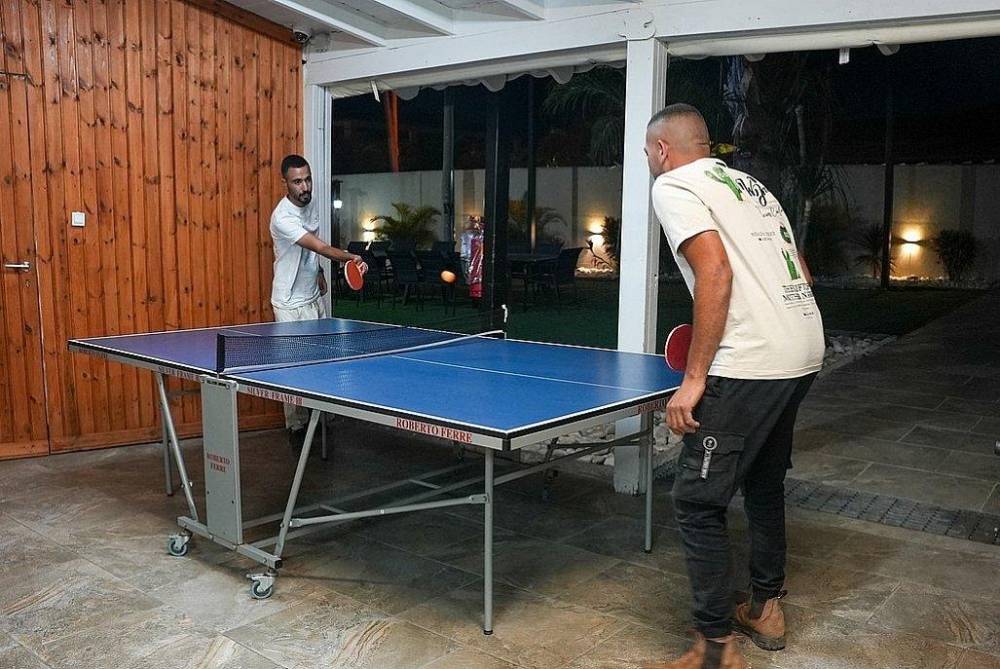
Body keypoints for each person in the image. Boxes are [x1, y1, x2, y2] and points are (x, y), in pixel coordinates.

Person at [643, 104, 824, 669]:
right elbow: (801, 271)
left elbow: (715, 273)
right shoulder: (752, 187)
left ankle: (716, 646)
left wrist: (694, 379)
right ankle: (765, 607)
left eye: (648, 153)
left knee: (697, 500)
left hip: (751, 360)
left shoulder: (673, 185)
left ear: (662, 150)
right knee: (763, 480)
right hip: (802, 348)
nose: (649, 162)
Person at [270, 154, 365, 448]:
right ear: (285, 183)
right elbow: (320, 246)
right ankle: (296, 427)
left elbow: (312, 247)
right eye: (297, 182)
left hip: (312, 296)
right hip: (288, 303)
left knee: (320, 359)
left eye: (308, 179)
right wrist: (350, 257)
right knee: (292, 367)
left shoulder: (310, 205)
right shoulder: (282, 217)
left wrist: (319, 272)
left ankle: (318, 415)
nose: (305, 186)